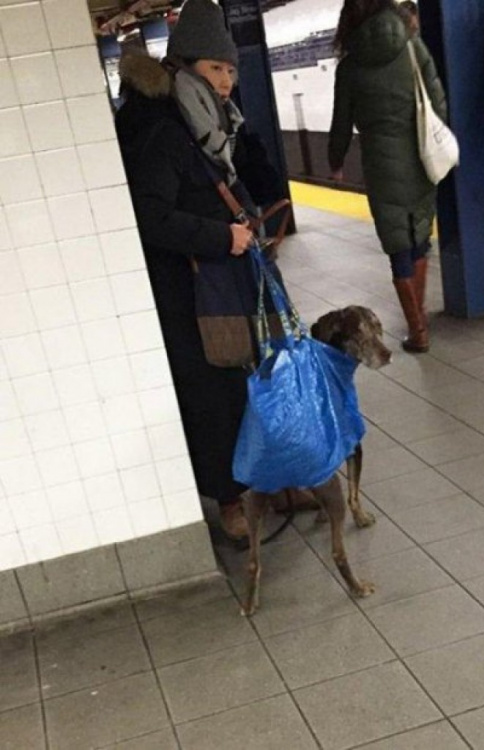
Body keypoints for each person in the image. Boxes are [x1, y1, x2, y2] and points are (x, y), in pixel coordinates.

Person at [115, 0, 283, 542]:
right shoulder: (165, 128)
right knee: (214, 392)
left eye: (231, 69)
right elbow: (150, 215)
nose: (227, 80)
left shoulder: (206, 121)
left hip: (222, 278)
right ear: (186, 65)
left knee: (245, 378)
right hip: (191, 288)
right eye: (216, 68)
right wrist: (221, 235)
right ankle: (229, 501)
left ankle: (264, 481)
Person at [328, 0, 447, 353]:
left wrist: (335, 160)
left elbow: (340, 123)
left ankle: (418, 330)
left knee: (399, 248)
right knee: (420, 236)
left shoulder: (349, 67)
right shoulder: (413, 46)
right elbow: (438, 101)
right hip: (420, 157)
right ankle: (420, 321)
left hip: (381, 165)